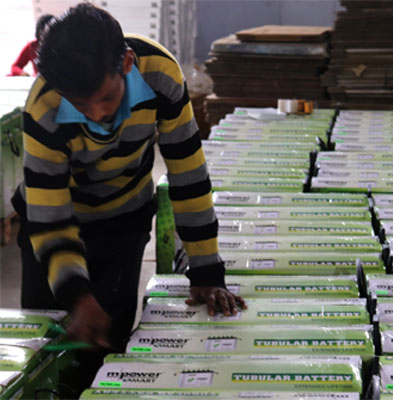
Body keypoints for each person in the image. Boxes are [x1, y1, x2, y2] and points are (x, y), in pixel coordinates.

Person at [12, 2, 245, 359]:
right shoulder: (45, 105)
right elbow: (50, 218)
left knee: (109, 341)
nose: (98, 114)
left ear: (126, 63)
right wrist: (77, 295)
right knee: (47, 346)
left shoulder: (160, 74)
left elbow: (188, 175)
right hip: (53, 225)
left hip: (124, 220)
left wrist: (206, 271)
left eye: (106, 97)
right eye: (81, 105)